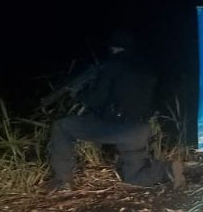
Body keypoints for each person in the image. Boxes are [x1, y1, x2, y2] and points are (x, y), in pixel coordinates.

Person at [45, 30, 184, 191]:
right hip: (140, 129)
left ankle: (63, 180)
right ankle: (167, 169)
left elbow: (95, 100)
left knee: (62, 127)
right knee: (134, 178)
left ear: (113, 48)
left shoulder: (111, 66)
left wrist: (78, 93)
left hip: (117, 128)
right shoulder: (145, 68)